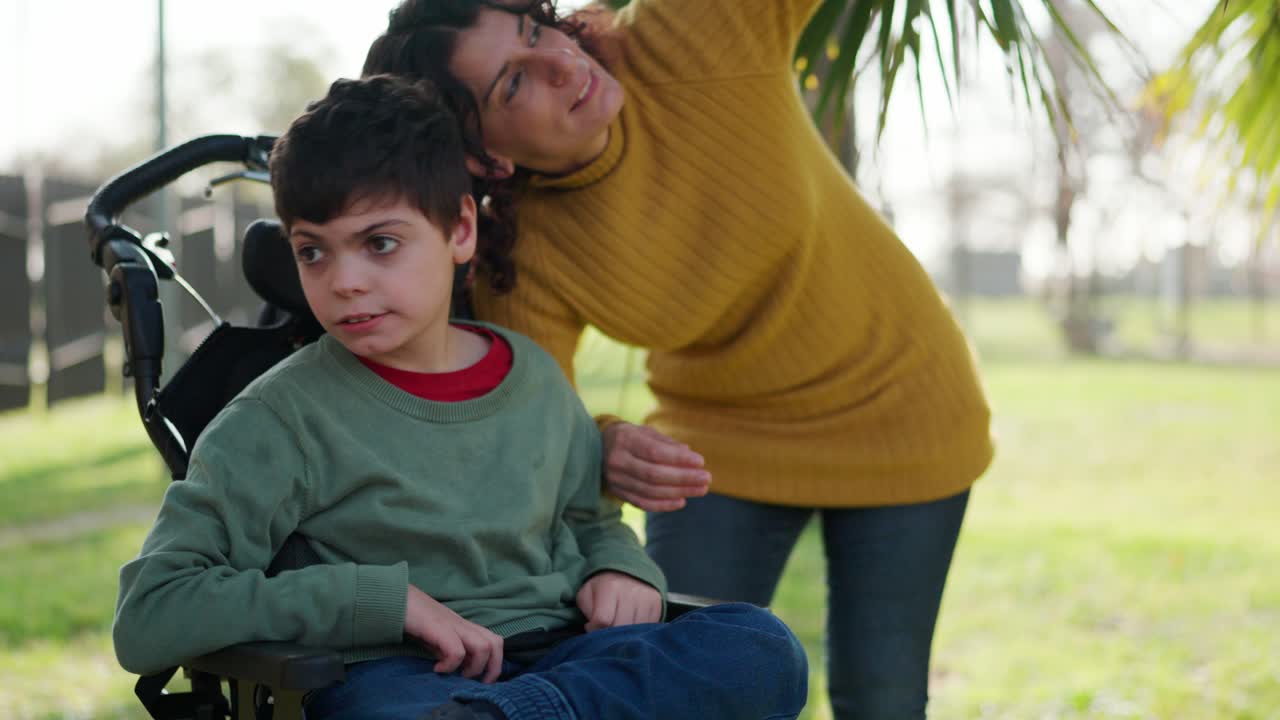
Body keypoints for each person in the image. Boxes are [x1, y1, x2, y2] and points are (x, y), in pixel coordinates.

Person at [362, 1, 995, 717]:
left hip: (906, 405)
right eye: (513, 84)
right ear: (484, 159)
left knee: (880, 697)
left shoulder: (693, 29)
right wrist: (604, 445)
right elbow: (535, 422)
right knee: (683, 683)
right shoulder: (523, 253)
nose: (561, 63)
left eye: (536, 32)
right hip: (712, 451)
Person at [111, 74, 808, 720]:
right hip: (395, 675)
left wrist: (619, 567)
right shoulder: (276, 421)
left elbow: (589, 521)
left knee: (758, 646)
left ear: (461, 230)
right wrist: (381, 602)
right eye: (312, 251)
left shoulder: (534, 380)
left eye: (380, 243)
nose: (343, 281)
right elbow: (151, 611)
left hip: (566, 650)